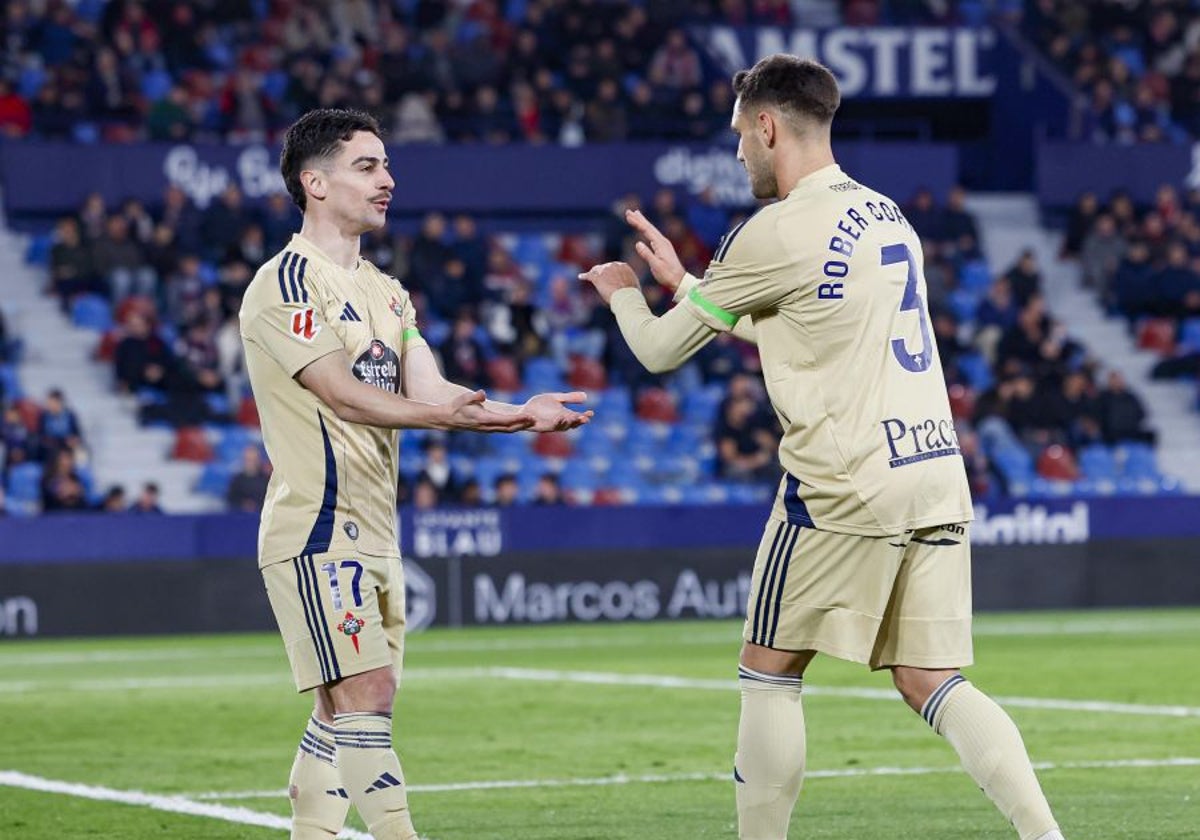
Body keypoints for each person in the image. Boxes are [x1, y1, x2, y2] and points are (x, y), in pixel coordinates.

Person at [581, 55, 1063, 840]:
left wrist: (624, 294)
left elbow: (662, 354)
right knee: (932, 679)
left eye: (740, 135)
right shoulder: (886, 215)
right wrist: (688, 285)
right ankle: (1046, 836)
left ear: (767, 127)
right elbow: (803, 326)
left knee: (767, 668)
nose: (739, 151)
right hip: (934, 471)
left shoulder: (773, 228)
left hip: (841, 485)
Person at [239, 108, 591, 840]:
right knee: (364, 696)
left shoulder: (387, 291)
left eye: (386, 166)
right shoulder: (283, 286)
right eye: (367, 166)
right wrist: (453, 420)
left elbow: (431, 391)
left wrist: (520, 413)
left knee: (343, 708)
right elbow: (342, 392)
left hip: (377, 531)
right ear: (314, 182)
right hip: (318, 524)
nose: (388, 180)